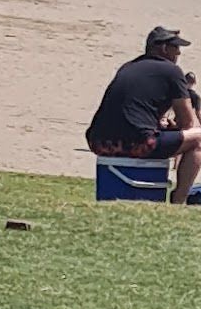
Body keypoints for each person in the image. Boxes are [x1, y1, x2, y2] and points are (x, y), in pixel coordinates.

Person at [86, 27, 201, 204]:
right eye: (175, 47)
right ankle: (179, 199)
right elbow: (187, 123)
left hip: (99, 142)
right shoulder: (172, 71)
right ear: (163, 48)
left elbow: (133, 110)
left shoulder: (128, 67)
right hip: (138, 144)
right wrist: (174, 128)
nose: (178, 52)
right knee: (198, 139)